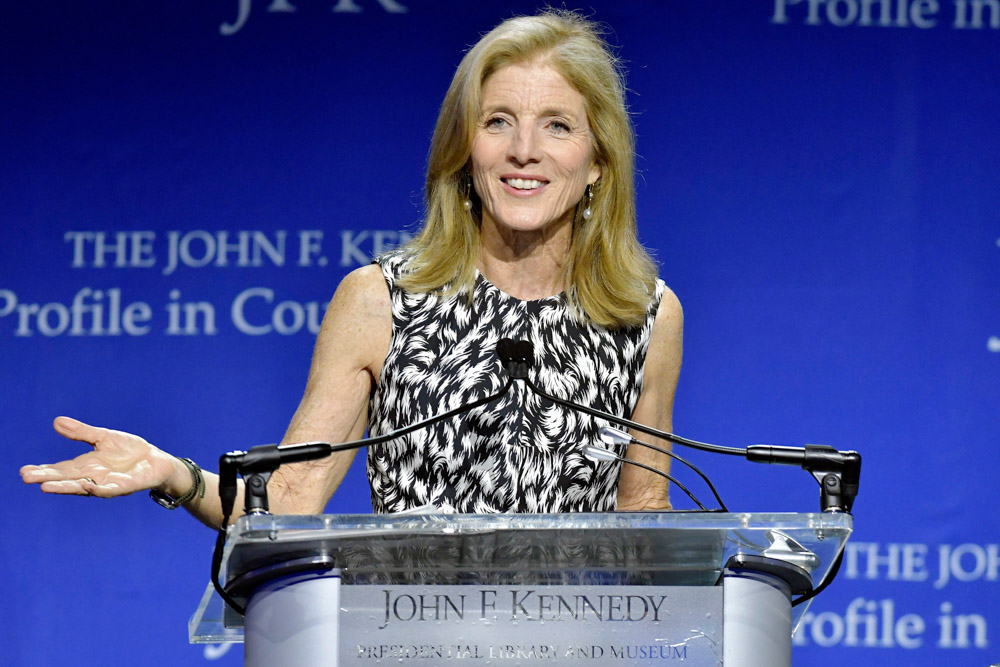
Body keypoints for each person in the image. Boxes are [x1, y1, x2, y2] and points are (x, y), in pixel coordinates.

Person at [20, 9, 682, 523]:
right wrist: (175, 474)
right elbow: (289, 502)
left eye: (558, 126)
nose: (524, 151)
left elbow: (644, 515)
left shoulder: (644, 315)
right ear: (464, 150)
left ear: (599, 161)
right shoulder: (381, 300)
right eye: (498, 122)